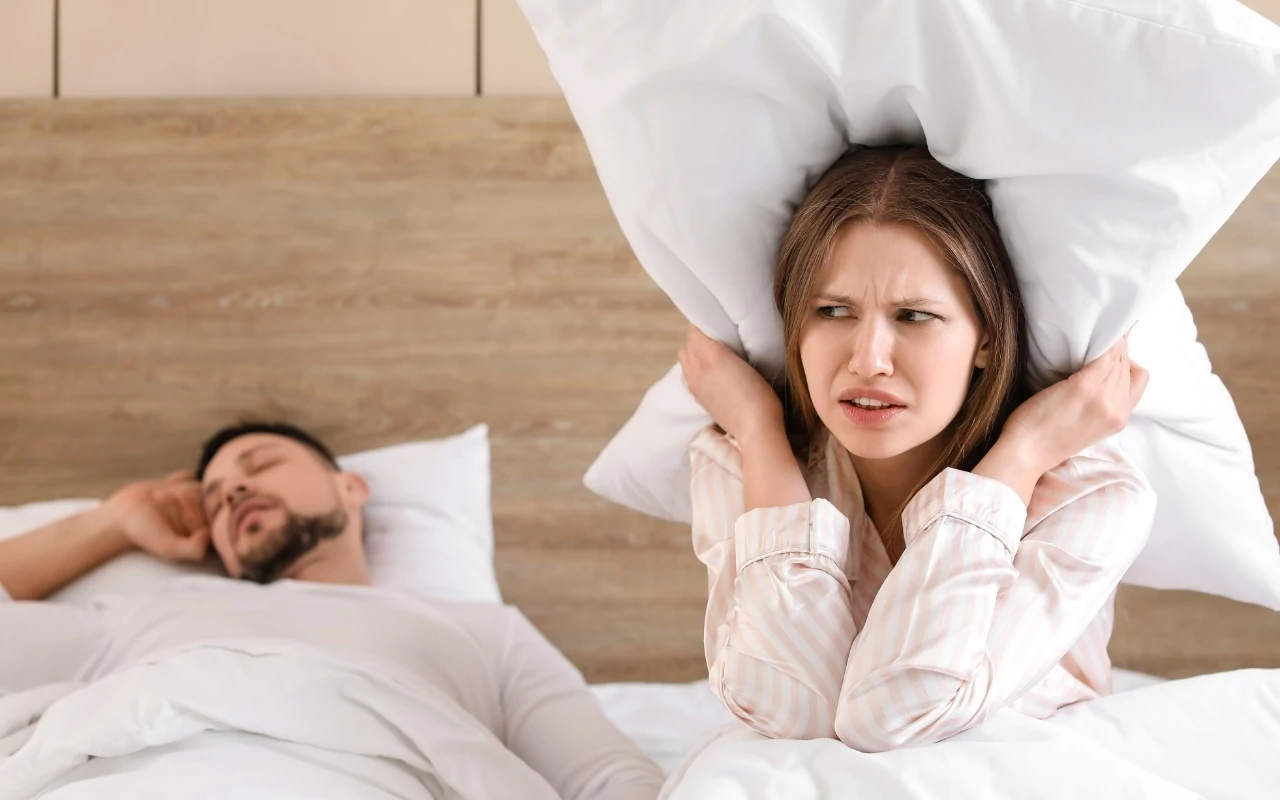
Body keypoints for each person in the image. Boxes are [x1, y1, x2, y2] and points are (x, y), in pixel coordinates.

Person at [678, 145, 1155, 753]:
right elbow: (791, 710)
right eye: (832, 311)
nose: (868, 360)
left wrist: (1023, 453)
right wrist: (758, 428)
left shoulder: (1089, 495)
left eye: (913, 316)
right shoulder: (744, 464)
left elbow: (897, 715)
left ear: (986, 338)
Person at [0, 422, 664, 800]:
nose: (232, 490)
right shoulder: (144, 614)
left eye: (260, 464)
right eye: (213, 499)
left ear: (351, 487)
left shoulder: (484, 631)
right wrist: (111, 523)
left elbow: (608, 780)